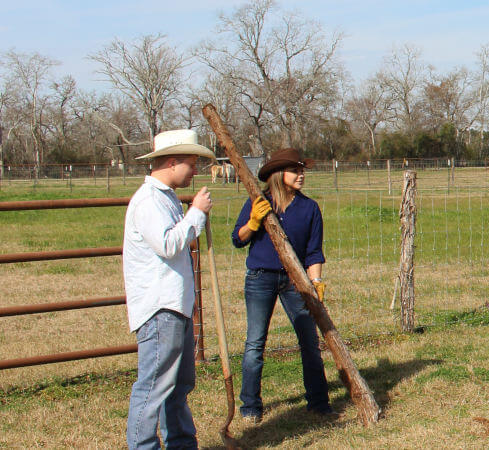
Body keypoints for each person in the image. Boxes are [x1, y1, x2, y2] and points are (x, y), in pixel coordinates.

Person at [123, 128, 215, 449]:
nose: (194, 171)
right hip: (160, 308)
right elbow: (167, 244)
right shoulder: (149, 201)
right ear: (173, 162)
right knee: (153, 386)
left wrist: (193, 214)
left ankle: (181, 443)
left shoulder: (166, 198)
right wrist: (197, 213)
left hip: (176, 306)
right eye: (191, 163)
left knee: (178, 384)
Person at [231, 147, 332, 422]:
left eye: (302, 171)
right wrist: (253, 222)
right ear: (279, 174)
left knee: (309, 341)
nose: (301, 175)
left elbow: (313, 251)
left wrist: (316, 281)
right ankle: (250, 406)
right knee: (255, 343)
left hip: (295, 280)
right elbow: (238, 239)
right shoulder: (259, 201)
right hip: (260, 278)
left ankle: (319, 402)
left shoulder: (309, 208)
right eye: (295, 171)